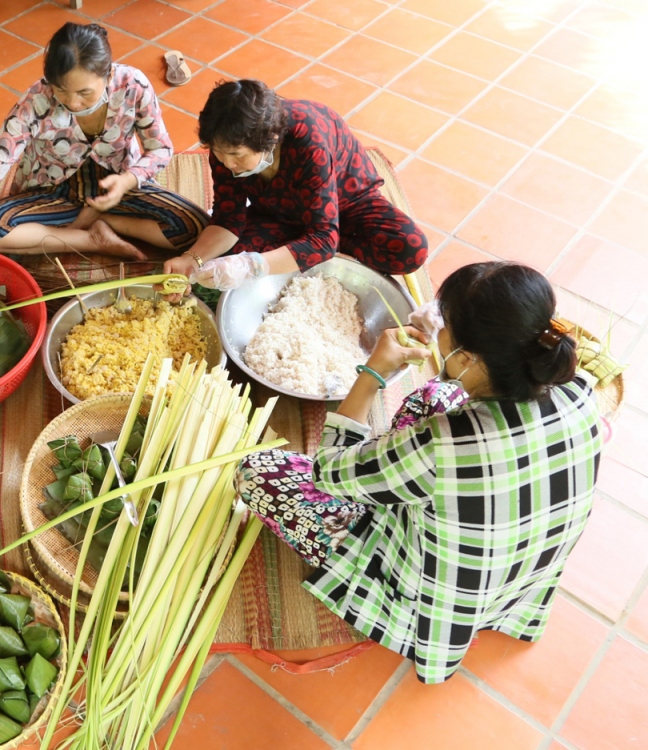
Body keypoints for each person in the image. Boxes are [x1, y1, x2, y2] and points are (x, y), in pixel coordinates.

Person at [235, 262, 601, 684]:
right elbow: (460, 403)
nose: (434, 324)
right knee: (436, 394)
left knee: (257, 471)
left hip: (427, 601)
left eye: (443, 321)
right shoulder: (578, 390)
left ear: (467, 357)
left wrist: (372, 375)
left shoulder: (441, 445)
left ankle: (384, 586)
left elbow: (326, 473)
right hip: (514, 582)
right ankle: (394, 478)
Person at [0, 22, 209, 290]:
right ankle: (91, 238)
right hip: (54, 191)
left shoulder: (133, 86)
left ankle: (104, 220)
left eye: (84, 92)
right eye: (61, 90)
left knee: (196, 228)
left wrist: (128, 181)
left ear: (108, 76)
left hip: (116, 189)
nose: (72, 103)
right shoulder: (36, 101)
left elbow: (161, 149)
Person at [164, 79, 428, 290]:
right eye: (219, 154)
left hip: (348, 204)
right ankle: (306, 250)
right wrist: (192, 259)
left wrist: (253, 266)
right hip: (280, 214)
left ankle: (312, 249)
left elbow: (324, 238)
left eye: (238, 156)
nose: (227, 163)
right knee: (221, 264)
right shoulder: (226, 147)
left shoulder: (309, 138)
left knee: (410, 247)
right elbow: (227, 218)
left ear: (270, 140)